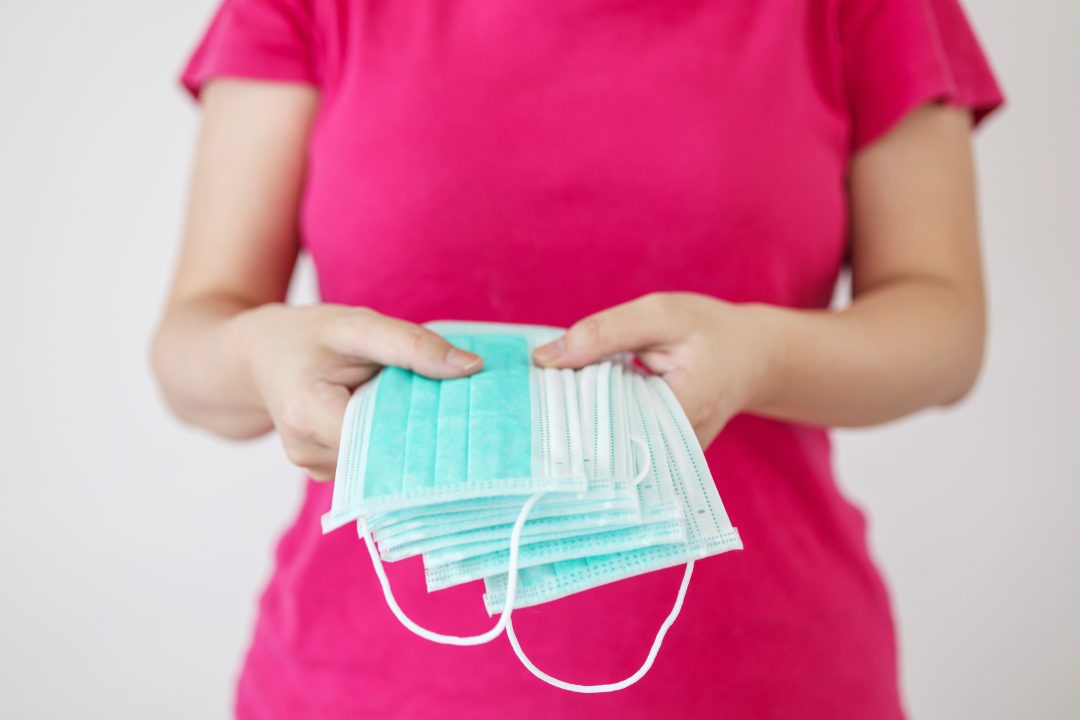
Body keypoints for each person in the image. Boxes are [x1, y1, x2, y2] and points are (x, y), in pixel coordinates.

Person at [151, 0, 1003, 717]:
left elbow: (943, 328)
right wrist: (263, 355)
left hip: (763, 678)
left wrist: (765, 355)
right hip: (361, 683)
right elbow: (195, 339)